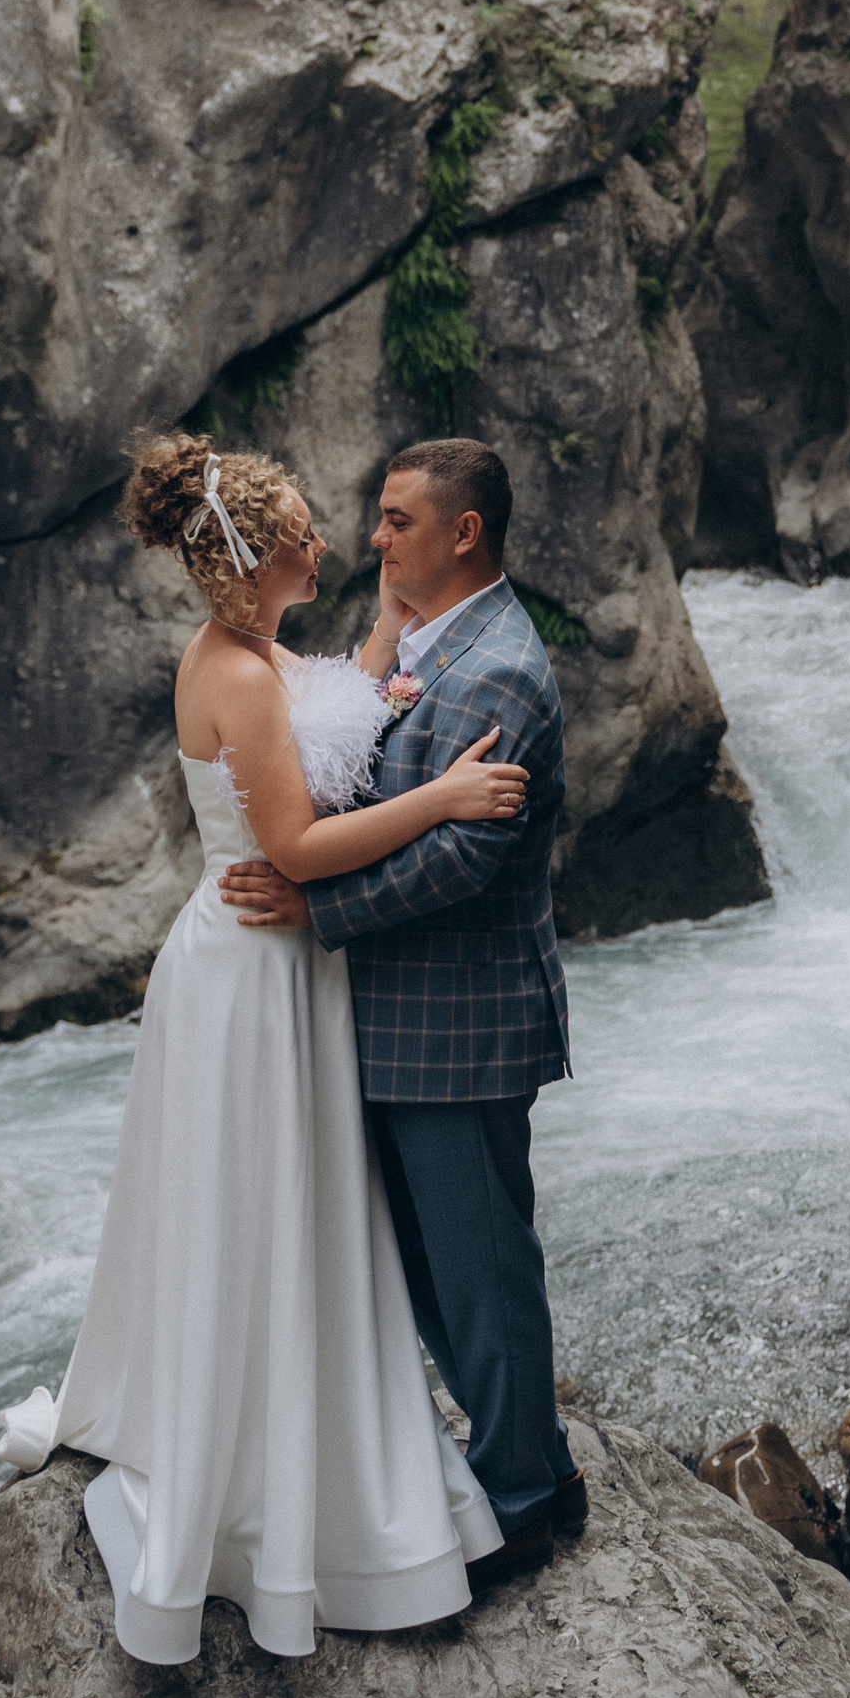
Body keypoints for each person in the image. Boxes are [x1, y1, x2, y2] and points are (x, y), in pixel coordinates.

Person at [0, 434, 528, 1660]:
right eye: (302, 532)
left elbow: (330, 702)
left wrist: (389, 640)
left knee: (299, 1209)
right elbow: (290, 846)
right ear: (251, 557)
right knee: (261, 1210)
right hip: (251, 972)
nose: (328, 544)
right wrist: (441, 800)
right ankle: (264, 1487)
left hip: (282, 972)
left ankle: (311, 1436)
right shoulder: (229, 676)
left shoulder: (256, 654)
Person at [220, 438, 584, 1582]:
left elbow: (463, 861)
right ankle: (502, 1466)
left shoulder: (504, 671)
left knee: (480, 1272)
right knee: (426, 1276)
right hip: (390, 1021)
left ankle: (533, 1495)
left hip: (461, 1027)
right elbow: (363, 754)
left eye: (393, 520)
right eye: (375, 520)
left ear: (461, 532)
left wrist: (309, 906)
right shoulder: (429, 645)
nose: (372, 537)